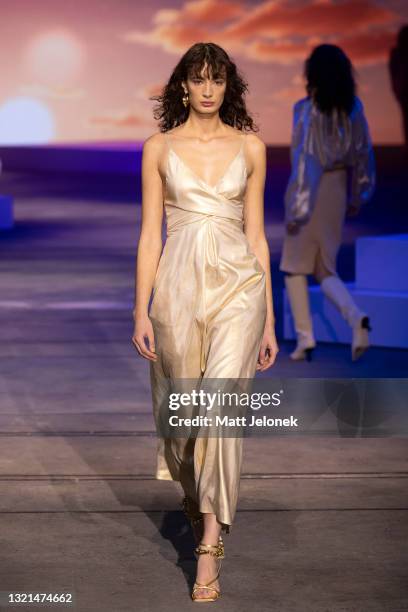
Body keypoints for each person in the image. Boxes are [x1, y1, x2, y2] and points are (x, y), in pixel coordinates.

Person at [132, 42, 278, 602]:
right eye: (199, 79)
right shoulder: (158, 148)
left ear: (228, 85)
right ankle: (196, 500)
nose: (209, 88)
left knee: (220, 408)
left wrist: (268, 323)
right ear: (184, 86)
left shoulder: (252, 148)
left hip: (241, 288)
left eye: (218, 78)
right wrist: (139, 307)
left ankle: (209, 547)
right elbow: (151, 235)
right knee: (184, 418)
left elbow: (259, 236)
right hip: (177, 289)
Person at [280, 44, 376, 362]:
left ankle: (305, 338)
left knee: (294, 267)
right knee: (325, 268)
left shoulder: (305, 110)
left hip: (314, 189)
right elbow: (364, 155)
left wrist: (298, 207)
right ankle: (356, 318)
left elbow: (305, 161)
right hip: (338, 188)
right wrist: (359, 193)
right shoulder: (355, 109)